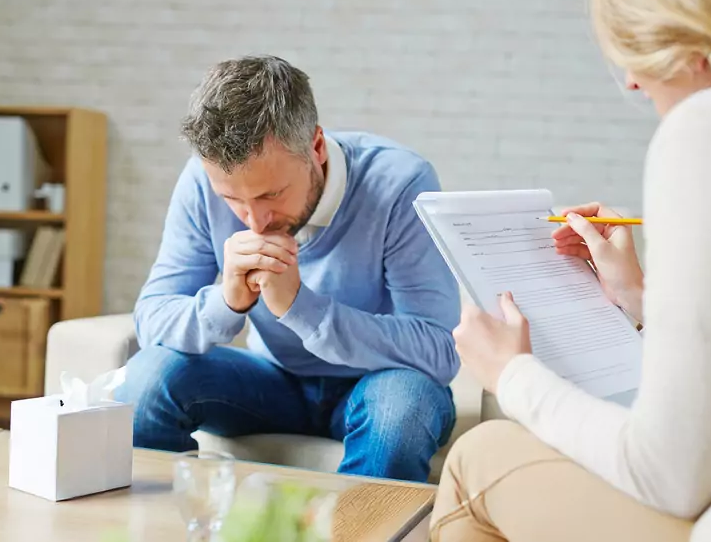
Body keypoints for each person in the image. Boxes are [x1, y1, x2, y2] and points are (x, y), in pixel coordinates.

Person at [430, 0, 711, 540]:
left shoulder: (709, 128)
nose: (633, 82)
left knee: (476, 455)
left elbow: (670, 473)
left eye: (634, 50)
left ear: (684, 36)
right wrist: (638, 296)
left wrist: (512, 373)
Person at [116, 55, 460, 483]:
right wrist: (226, 301)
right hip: (271, 382)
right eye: (232, 200)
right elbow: (152, 318)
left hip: (378, 382)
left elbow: (438, 349)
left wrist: (301, 308)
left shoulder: (399, 183)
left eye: (271, 195)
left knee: (400, 410)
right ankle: (180, 518)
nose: (254, 221)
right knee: (147, 379)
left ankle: (350, 522)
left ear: (316, 147)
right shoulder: (202, 181)